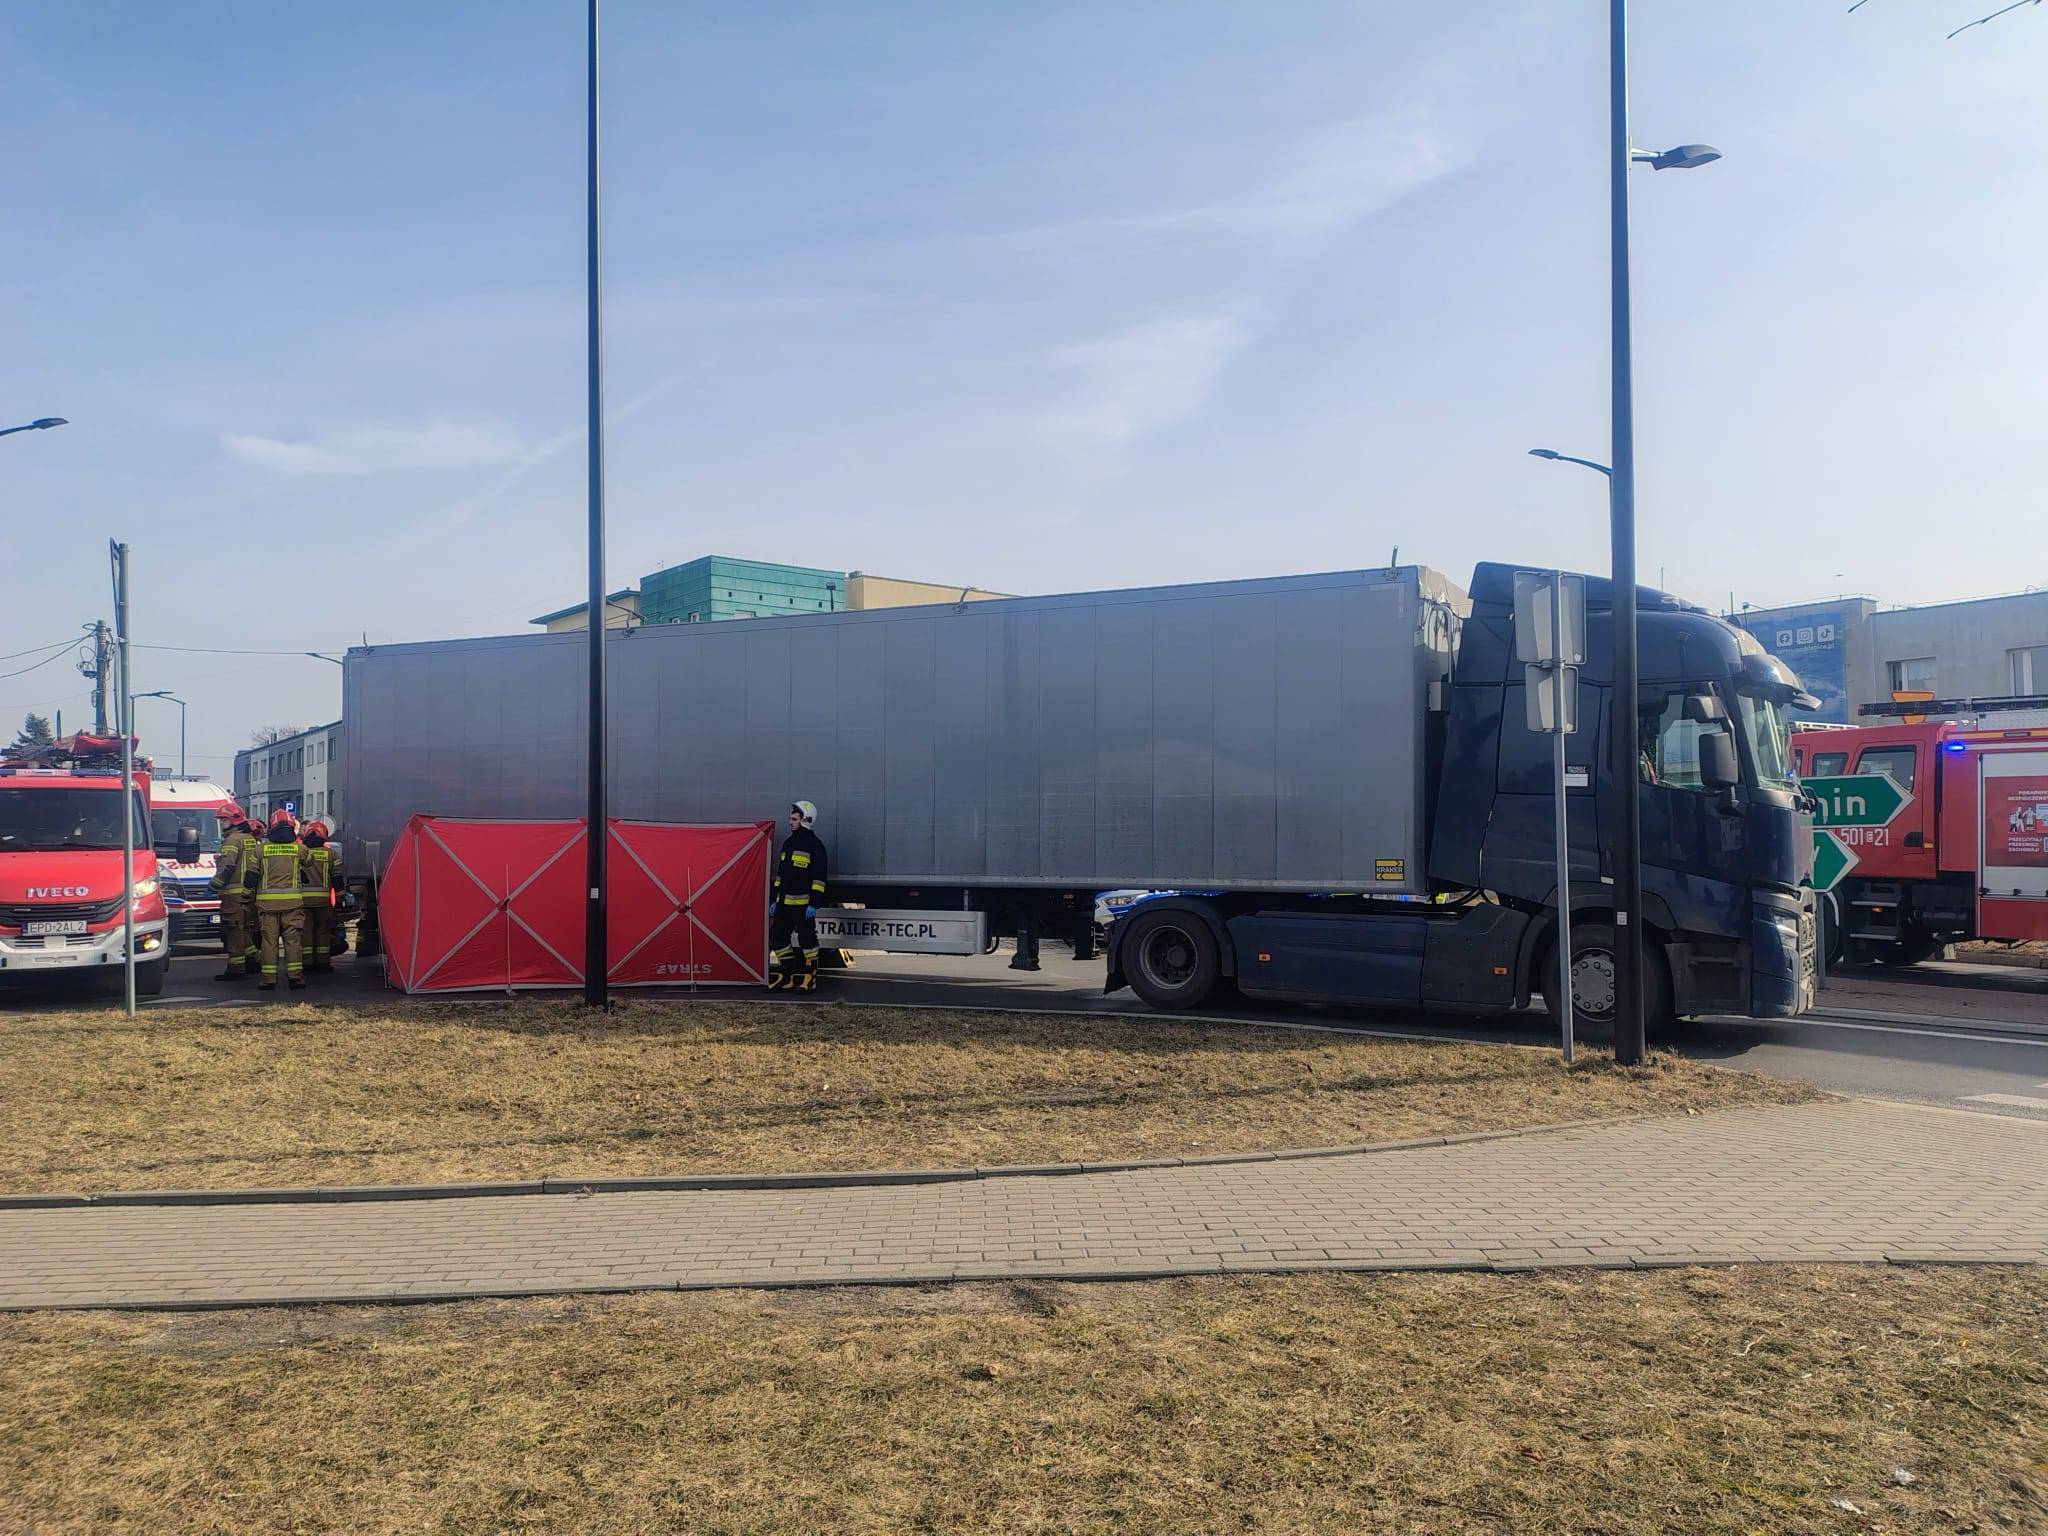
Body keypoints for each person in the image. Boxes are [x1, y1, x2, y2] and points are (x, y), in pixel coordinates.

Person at [246, 809, 311, 991]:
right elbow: (310, 862)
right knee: (293, 941)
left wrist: (245, 896)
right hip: (293, 905)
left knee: (269, 942)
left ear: (272, 827)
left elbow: (250, 877)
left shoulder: (260, 850)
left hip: (267, 906)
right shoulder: (300, 849)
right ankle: (295, 978)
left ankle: (268, 979)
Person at [767, 799, 828, 992]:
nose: (790, 822)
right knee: (778, 938)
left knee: (807, 941)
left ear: (805, 820)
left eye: (794, 819)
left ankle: (809, 979)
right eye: (790, 818)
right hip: (784, 904)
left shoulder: (815, 846)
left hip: (803, 905)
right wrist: (774, 899)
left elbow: (819, 879)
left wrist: (813, 904)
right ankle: (787, 977)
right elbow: (781, 876)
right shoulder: (788, 843)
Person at [207, 803, 257, 980]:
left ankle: (236, 969)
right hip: (248, 893)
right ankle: (253, 959)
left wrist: (214, 885)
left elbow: (227, 865)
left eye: (224, 819)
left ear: (234, 820)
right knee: (242, 930)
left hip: (234, 894)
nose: (221, 823)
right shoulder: (249, 839)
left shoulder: (232, 840)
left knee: (233, 929)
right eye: (220, 820)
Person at [299, 820, 343, 974]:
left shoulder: (302, 852)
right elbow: (338, 878)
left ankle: (307, 963)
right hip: (323, 902)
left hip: (303, 901)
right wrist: (339, 898)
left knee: (306, 932)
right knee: (323, 932)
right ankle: (323, 963)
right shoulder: (331, 854)